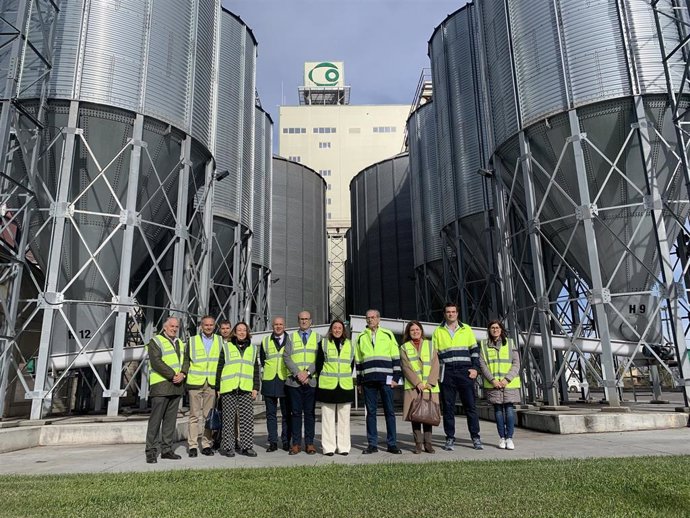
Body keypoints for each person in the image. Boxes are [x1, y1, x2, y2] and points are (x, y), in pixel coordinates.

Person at [432, 302, 483, 450]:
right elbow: (434, 356)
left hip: (465, 372)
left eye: (453, 312)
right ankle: (450, 438)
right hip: (447, 373)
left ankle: (475, 437)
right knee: (448, 407)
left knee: (470, 407)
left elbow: (474, 350)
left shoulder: (466, 329)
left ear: (457, 313)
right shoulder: (438, 331)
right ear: (444, 314)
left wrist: (475, 369)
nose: (451, 314)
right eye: (448, 312)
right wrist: (436, 374)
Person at [355, 309, 402, 454]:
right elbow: (358, 362)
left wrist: (396, 377)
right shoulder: (361, 337)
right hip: (369, 380)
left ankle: (392, 444)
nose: (370, 320)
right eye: (368, 318)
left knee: (390, 412)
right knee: (371, 413)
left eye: (373, 317)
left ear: (379, 319)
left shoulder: (388, 334)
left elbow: (395, 356)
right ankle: (372, 444)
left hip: (386, 379)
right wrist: (359, 382)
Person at [144, 316, 186, 463]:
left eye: (176, 327)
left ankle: (167, 449)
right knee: (155, 420)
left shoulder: (180, 342)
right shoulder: (155, 341)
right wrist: (173, 375)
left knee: (170, 421)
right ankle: (151, 451)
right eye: (172, 326)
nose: (174, 329)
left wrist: (183, 374)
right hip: (161, 386)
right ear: (165, 327)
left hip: (176, 386)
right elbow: (156, 362)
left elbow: (185, 360)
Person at [215, 321, 260, 457]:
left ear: (247, 333)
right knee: (228, 419)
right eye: (239, 330)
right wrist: (218, 387)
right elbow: (220, 367)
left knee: (246, 419)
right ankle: (228, 447)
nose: (241, 332)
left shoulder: (252, 349)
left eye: (244, 330)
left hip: (246, 388)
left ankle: (247, 447)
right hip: (229, 387)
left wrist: (255, 387)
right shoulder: (227, 347)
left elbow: (256, 370)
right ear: (234, 332)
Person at [478, 320, 521, 450]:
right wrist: (493, 380)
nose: (495, 330)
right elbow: (482, 364)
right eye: (492, 328)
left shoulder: (510, 343)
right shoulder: (484, 345)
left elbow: (516, 363)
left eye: (497, 327)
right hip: (493, 384)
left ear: (501, 329)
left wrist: (506, 379)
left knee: (509, 410)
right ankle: (502, 437)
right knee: (497, 412)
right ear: (489, 330)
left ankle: (509, 438)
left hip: (508, 384)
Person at [182, 315, 221, 458]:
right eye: (206, 325)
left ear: (214, 326)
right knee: (194, 416)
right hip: (195, 382)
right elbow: (186, 360)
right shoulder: (192, 341)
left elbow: (222, 363)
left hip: (211, 383)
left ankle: (206, 444)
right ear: (201, 326)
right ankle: (192, 445)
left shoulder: (220, 341)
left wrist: (220, 384)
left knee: (208, 416)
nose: (209, 327)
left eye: (211, 325)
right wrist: (184, 374)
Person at [315, 319, 354, 456]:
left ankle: (343, 447)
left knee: (344, 420)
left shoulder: (350, 344)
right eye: (335, 328)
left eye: (340, 328)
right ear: (331, 330)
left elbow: (351, 364)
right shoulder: (323, 343)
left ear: (343, 330)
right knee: (327, 419)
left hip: (344, 386)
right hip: (328, 386)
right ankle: (328, 447)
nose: (337, 330)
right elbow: (319, 364)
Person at [400, 320, 440, 454]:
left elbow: (435, 365)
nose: (415, 332)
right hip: (413, 387)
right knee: (416, 416)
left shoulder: (430, 345)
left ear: (421, 331)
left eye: (417, 330)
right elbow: (406, 367)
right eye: (412, 330)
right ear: (408, 333)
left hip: (429, 387)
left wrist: (430, 382)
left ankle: (428, 443)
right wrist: (417, 382)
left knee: (428, 415)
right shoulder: (404, 347)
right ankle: (418, 444)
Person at [283, 311, 319, 455]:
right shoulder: (291, 337)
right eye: (301, 319)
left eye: (306, 319)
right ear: (298, 321)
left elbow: (319, 359)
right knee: (295, 413)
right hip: (294, 382)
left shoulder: (318, 338)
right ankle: (296, 444)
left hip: (311, 382)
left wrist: (307, 373)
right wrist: (298, 373)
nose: (304, 321)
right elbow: (286, 357)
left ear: (311, 321)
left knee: (310, 413)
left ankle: (309, 443)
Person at [260, 316, 292, 452]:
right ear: (272, 326)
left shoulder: (291, 340)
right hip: (270, 381)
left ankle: (286, 441)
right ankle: (273, 441)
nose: (278, 327)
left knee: (286, 414)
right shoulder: (265, 341)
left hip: (286, 381)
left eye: (281, 324)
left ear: (284, 326)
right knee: (271, 414)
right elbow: (262, 360)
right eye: (275, 324)